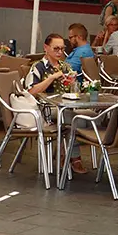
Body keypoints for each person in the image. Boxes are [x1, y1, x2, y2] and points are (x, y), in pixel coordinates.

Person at [26, 34, 86, 174]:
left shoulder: (65, 67)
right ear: (46, 48)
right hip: (46, 109)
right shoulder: (38, 67)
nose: (60, 52)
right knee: (76, 120)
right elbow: (31, 91)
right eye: (56, 49)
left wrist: (73, 84)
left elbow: (76, 92)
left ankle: (63, 152)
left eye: (62, 49)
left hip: (66, 107)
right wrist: (51, 78)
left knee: (86, 117)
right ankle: (74, 157)